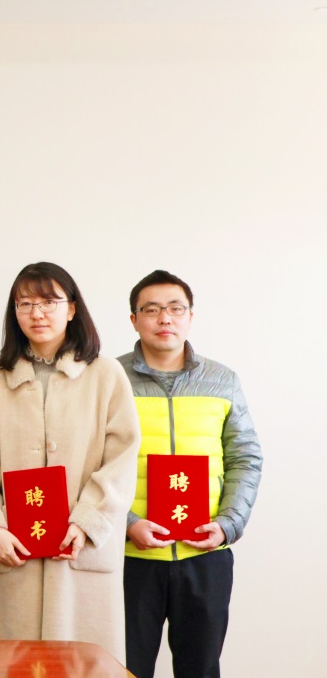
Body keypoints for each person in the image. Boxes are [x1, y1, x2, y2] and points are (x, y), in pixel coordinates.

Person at [0, 261, 141, 662]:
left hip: (78, 551)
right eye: (25, 304)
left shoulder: (106, 375)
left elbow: (121, 458)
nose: (37, 313)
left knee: (81, 664)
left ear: (72, 308)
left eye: (48, 302)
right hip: (14, 552)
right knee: (9, 665)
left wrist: (87, 520)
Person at [119, 270, 262, 678]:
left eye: (175, 308)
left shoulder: (222, 380)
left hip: (205, 555)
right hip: (130, 557)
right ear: (134, 319)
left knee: (200, 669)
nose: (164, 318)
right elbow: (90, 463)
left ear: (190, 317)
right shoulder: (111, 379)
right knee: (124, 669)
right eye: (151, 309)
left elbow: (246, 457)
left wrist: (228, 524)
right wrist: (127, 524)